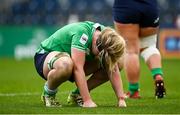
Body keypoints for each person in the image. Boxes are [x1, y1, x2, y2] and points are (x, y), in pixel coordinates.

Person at [34, 21, 127, 107]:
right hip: (45, 56)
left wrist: (121, 99)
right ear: (100, 46)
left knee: (118, 64)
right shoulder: (82, 33)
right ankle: (48, 93)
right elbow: (78, 69)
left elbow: (113, 67)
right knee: (66, 65)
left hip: (70, 62)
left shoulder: (106, 36)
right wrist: (87, 101)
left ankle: (77, 95)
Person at [112, 0, 166, 98]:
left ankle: (134, 91)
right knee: (149, 46)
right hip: (149, 7)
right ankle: (158, 75)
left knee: (131, 51)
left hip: (126, 6)